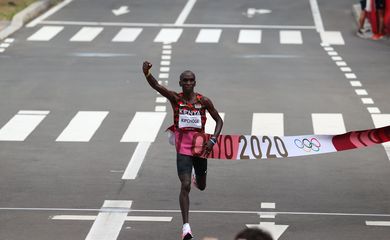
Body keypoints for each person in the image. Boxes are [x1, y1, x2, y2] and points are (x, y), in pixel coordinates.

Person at [142, 61, 223, 240]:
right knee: (185, 185)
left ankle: (196, 177)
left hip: (201, 148)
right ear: (180, 83)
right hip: (184, 148)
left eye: (190, 80)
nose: (187, 83)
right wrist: (146, 73)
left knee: (201, 186)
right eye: (184, 80)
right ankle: (186, 228)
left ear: (195, 83)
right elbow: (156, 86)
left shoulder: (204, 101)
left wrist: (213, 140)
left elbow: (219, 121)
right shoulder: (175, 98)